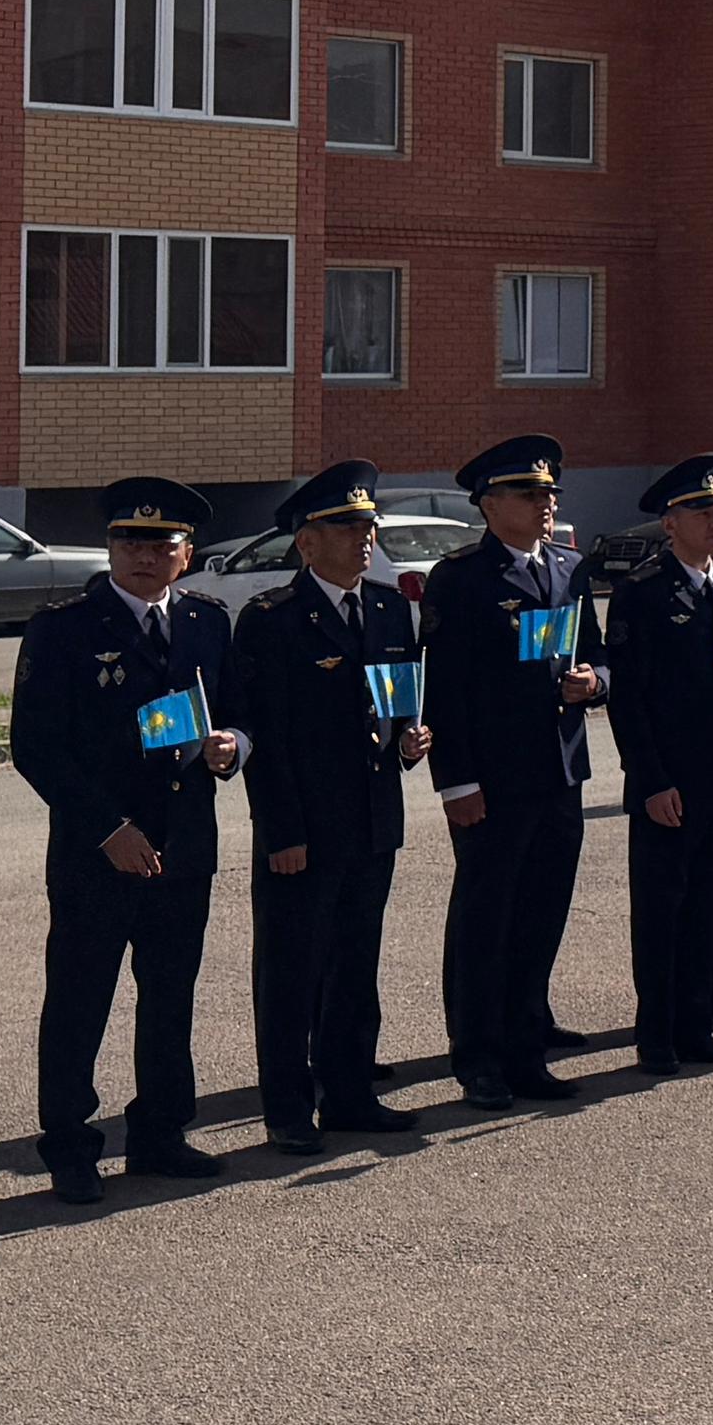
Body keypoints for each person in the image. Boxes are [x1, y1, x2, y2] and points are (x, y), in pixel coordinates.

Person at [13, 476, 247, 1201]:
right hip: (99, 851)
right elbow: (37, 747)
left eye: (160, 543)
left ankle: (160, 1133)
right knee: (81, 999)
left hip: (183, 844)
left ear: (188, 553)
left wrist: (230, 747)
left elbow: (238, 714)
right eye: (128, 541)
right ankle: (72, 1147)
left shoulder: (208, 621)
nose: (143, 556)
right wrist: (107, 829)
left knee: (171, 995)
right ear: (109, 547)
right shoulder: (64, 626)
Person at [225, 462, 429, 1156]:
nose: (363, 538)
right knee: (292, 970)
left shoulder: (388, 607)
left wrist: (410, 741)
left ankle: (350, 1094)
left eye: (368, 526)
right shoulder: (273, 620)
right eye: (346, 527)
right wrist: (281, 830)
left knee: (355, 966)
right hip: (303, 830)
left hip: (372, 821)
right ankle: (287, 1108)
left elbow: (394, 707)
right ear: (307, 543)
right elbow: (266, 737)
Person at [424, 434, 603, 1109]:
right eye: (531, 493)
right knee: (486, 920)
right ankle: (478, 1056)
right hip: (494, 781)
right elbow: (446, 690)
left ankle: (527, 1045)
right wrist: (457, 781)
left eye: (550, 492)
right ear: (490, 505)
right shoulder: (463, 578)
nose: (547, 502)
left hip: (559, 771)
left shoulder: (565, 568)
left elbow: (596, 653)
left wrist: (596, 682)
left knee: (540, 915)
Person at [595, 454, 713, 1072]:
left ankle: (697, 1025)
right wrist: (651, 780)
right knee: (663, 911)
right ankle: (657, 1035)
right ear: (671, 523)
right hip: (671, 779)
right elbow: (630, 702)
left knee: (709, 907)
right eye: (703, 511)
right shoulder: (643, 592)